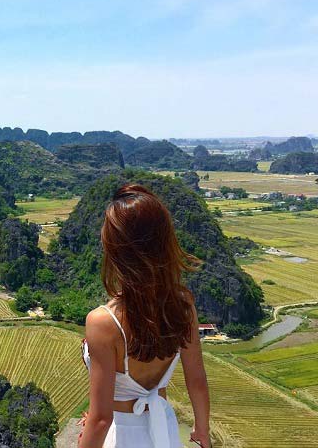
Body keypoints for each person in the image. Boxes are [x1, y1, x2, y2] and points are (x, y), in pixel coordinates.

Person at [78, 184, 211, 448]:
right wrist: (202, 432)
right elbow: (196, 380)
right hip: (164, 429)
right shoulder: (183, 305)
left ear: (117, 249)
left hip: (122, 435)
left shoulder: (103, 322)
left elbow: (102, 419)